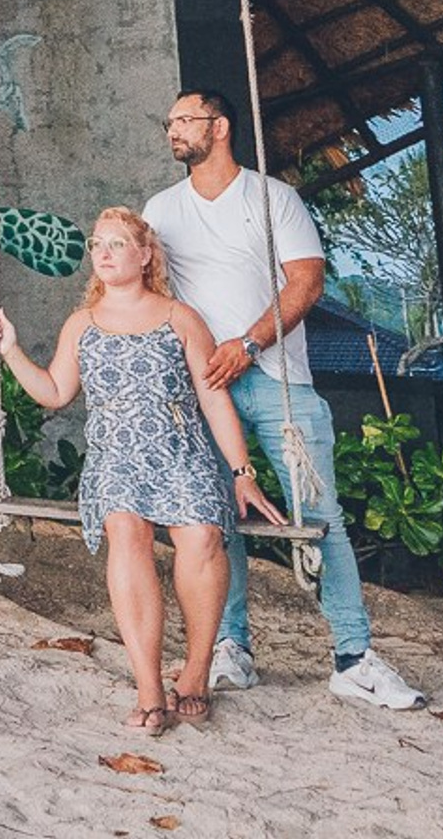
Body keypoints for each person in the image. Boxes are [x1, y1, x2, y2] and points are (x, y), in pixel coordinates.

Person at [143, 87, 426, 712]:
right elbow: (150, 290)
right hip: (201, 387)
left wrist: (248, 344)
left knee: (320, 517)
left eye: (185, 120)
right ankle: (231, 648)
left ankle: (353, 658)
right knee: (214, 519)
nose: (173, 130)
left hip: (278, 380)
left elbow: (306, 282)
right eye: (169, 122)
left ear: (220, 127)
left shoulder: (273, 198)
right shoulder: (161, 209)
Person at [0, 207, 282, 735]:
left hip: (183, 454)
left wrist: (241, 471)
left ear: (145, 255)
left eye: (117, 243)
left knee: (202, 536)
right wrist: (9, 350)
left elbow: (213, 399)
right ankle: (148, 687)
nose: (102, 253)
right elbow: (54, 392)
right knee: (125, 528)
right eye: (97, 244)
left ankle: (196, 672)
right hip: (115, 459)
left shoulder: (180, 317)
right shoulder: (82, 324)